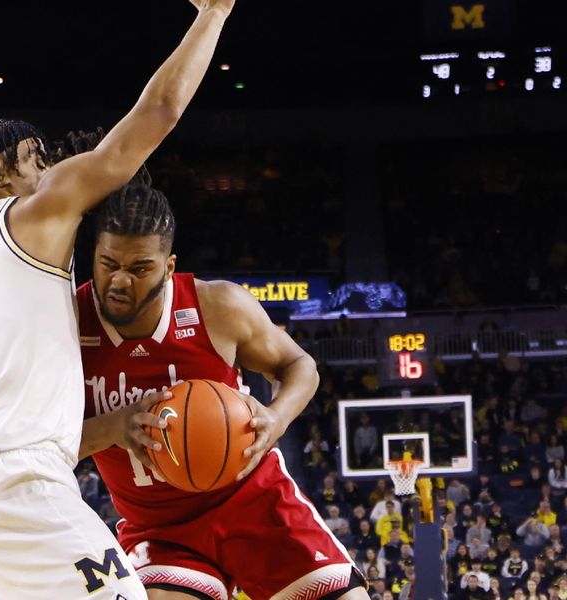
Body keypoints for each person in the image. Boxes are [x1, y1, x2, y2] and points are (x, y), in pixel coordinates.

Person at [0, 2, 236, 598]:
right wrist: (214, 14)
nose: (49, 171)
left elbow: (15, 394)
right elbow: (159, 114)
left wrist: (111, 425)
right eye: (36, 160)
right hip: (16, 483)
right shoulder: (30, 214)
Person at [77, 179, 368, 600]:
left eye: (139, 269)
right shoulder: (68, 327)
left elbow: (299, 364)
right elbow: (40, 441)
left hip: (254, 500)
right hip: (159, 529)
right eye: (108, 264)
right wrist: (113, 427)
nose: (120, 281)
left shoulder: (217, 307)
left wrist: (277, 416)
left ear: (169, 267)